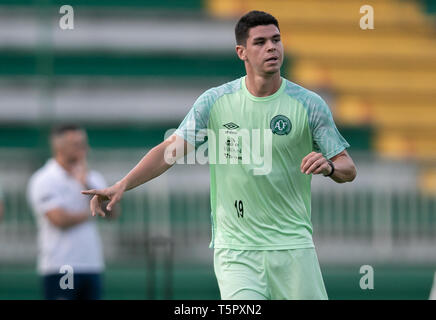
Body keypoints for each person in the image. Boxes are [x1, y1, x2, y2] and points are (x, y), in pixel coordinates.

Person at [83, 10, 357, 300]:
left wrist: (328, 166)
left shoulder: (308, 104)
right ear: (242, 52)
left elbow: (347, 167)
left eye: (276, 40)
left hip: (293, 247)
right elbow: (169, 151)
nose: (272, 47)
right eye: (260, 42)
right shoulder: (215, 101)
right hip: (236, 252)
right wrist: (122, 184)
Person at [27, 124, 115, 300]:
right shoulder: (44, 179)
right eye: (76, 144)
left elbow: (113, 213)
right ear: (59, 146)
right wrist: (92, 212)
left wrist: (87, 185)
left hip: (92, 265)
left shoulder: (93, 178)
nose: (83, 148)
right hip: (61, 265)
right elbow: (59, 219)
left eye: (83, 143)